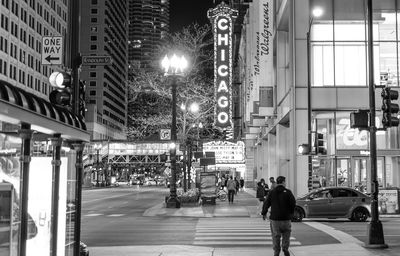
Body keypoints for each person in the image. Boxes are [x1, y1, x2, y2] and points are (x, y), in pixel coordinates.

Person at [261, 176, 296, 256]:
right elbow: (293, 204)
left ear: (277, 182)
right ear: (283, 182)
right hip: (286, 219)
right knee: (286, 234)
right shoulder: (288, 192)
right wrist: (291, 213)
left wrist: (264, 213)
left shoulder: (272, 192)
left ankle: (276, 252)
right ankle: (285, 248)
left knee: (276, 236)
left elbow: (266, 203)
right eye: (285, 181)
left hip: (275, 219)